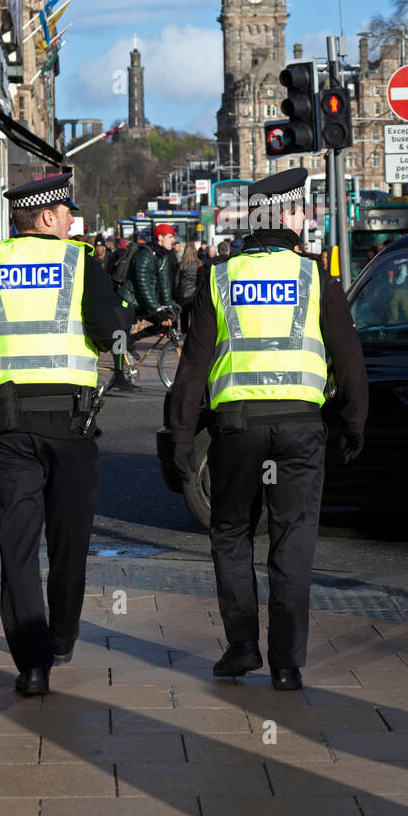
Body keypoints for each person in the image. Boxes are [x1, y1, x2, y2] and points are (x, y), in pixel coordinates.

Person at [168, 167, 368, 690]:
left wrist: (183, 436)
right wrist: (353, 422)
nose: (307, 218)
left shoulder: (219, 277)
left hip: (237, 429)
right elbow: (350, 361)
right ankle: (286, 663)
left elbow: (192, 369)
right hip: (301, 428)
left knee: (231, 532)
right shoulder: (316, 278)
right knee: (293, 539)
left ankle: (241, 648)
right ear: (284, 216)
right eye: (302, 210)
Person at [0, 171, 130, 696]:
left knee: (17, 546)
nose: (74, 219)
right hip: (71, 427)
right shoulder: (80, 264)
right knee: (69, 542)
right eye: (68, 212)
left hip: (7, 426)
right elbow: (110, 332)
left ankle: (32, 664)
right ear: (48, 218)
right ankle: (64, 638)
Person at [174, 241, 200, 334]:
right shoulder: (198, 264)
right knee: (194, 318)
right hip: (194, 295)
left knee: (183, 319)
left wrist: (175, 294)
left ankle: (184, 337)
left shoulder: (181, 264)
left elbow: (176, 281)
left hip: (182, 294)